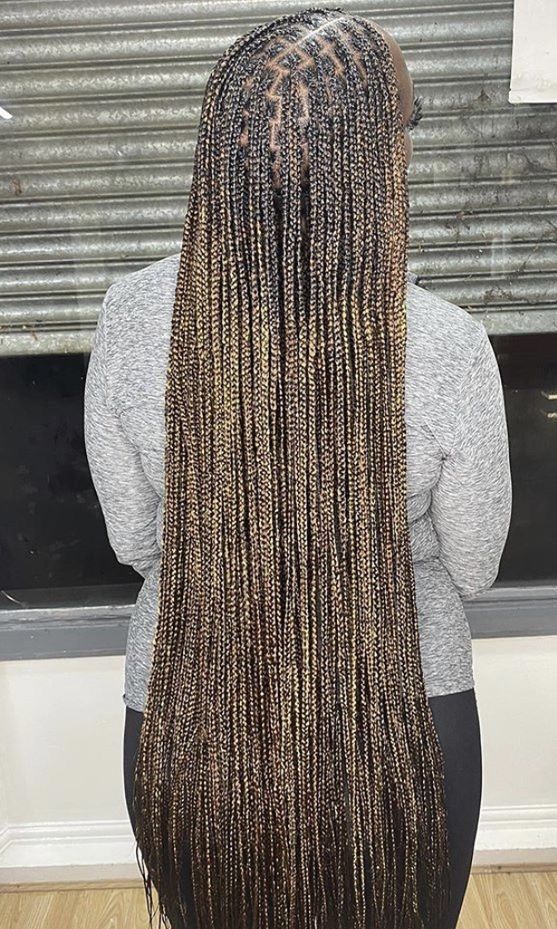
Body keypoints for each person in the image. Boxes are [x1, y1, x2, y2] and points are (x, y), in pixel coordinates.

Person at [84, 8, 512, 929]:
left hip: (189, 706)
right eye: (410, 122)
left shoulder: (131, 315)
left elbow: (134, 538)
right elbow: (474, 564)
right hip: (398, 712)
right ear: (376, 157)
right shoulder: (444, 343)